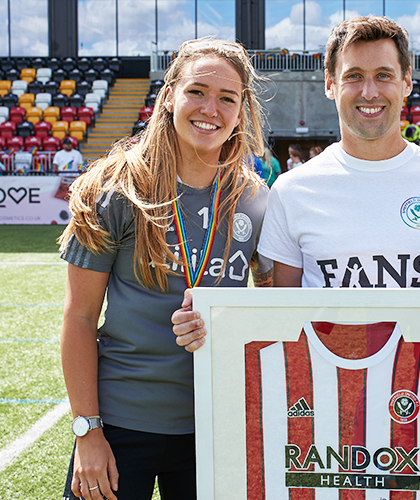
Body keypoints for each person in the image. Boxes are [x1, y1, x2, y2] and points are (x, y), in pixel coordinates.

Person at [172, 16, 420, 379]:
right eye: (354, 75)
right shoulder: (293, 190)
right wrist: (210, 318)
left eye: (384, 75)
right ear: (330, 84)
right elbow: (281, 316)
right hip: (326, 398)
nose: (369, 92)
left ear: (406, 83)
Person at [58, 37, 272, 500]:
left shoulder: (255, 201)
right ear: (170, 94)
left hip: (216, 427)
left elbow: (275, 311)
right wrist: (87, 432)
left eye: (227, 98)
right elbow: (78, 319)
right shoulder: (114, 190)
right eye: (197, 91)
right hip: (119, 425)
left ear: (241, 111)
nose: (210, 108)